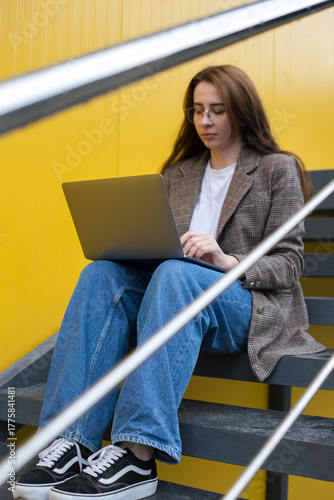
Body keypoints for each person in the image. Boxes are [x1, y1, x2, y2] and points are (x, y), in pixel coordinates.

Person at [14, 65, 325, 500]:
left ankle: (138, 454)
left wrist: (227, 260)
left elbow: (289, 264)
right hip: (174, 296)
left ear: (241, 111)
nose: (205, 121)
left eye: (218, 110)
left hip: (245, 305)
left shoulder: (277, 169)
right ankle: (69, 442)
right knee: (101, 273)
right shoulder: (178, 173)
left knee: (177, 273)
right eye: (197, 111)